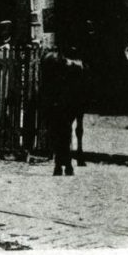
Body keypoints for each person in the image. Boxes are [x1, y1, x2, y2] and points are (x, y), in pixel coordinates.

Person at [41, 45, 87, 176]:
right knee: (65, 128)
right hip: (70, 99)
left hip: (55, 99)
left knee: (58, 128)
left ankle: (59, 164)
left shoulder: (52, 62)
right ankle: (67, 163)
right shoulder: (76, 66)